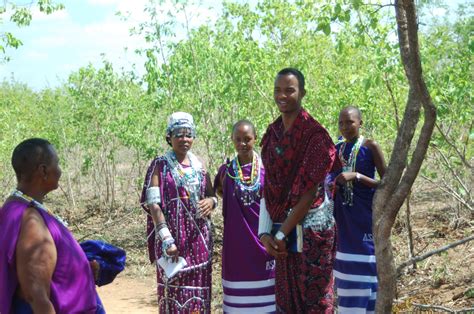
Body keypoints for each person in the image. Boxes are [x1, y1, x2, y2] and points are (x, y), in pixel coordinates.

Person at [258, 68, 339, 313]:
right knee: (287, 304)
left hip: (312, 233)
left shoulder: (315, 136)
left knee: (314, 303)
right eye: (278, 90)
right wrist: (264, 235)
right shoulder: (272, 135)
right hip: (282, 233)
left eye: (289, 90)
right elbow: (269, 186)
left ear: (302, 93)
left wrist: (281, 235)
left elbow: (310, 192)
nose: (282, 96)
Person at [0, 138, 104, 314]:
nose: (60, 170)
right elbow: (35, 295)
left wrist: (80, 269)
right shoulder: (30, 221)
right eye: (57, 164)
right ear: (43, 171)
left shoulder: (20, 204)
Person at [141, 112, 216, 313]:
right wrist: (166, 238)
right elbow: (153, 204)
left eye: (188, 134)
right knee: (172, 293)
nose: (184, 139)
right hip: (172, 242)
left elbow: (211, 195)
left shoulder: (200, 165)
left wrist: (211, 201)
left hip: (199, 242)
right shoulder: (160, 165)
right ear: (169, 137)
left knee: (198, 295)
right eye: (179, 134)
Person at [214, 120, 276, 313]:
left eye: (247, 139)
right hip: (236, 248)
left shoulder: (267, 170)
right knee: (237, 305)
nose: (242, 143)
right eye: (238, 139)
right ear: (232, 140)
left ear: (255, 139)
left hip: (262, 245)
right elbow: (218, 192)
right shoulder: (227, 172)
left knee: (266, 304)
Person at [331, 106, 386, 313]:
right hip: (343, 220)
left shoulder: (370, 146)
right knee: (346, 280)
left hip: (364, 219)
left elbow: (387, 183)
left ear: (360, 123)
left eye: (350, 122)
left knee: (367, 274)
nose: (345, 127)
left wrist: (358, 177)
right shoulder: (337, 149)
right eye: (341, 123)